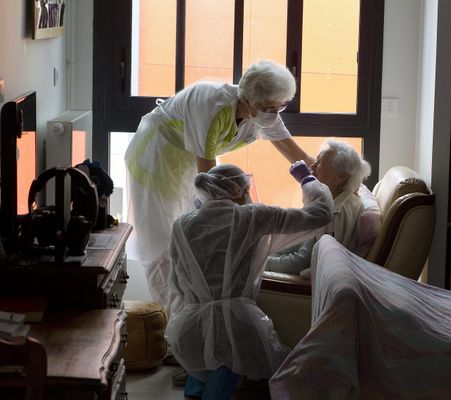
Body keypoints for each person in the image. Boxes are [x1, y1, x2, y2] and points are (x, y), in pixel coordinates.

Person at [125, 60, 314, 307]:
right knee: (161, 248)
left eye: (281, 107)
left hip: (185, 167)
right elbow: (211, 184)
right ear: (248, 100)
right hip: (153, 162)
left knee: (187, 245)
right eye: (271, 108)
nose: (275, 114)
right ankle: (166, 322)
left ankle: (185, 313)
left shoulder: (264, 111)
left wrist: (333, 178)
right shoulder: (210, 106)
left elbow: (296, 153)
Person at [164, 163, 333, 399]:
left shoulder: (182, 224)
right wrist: (308, 180)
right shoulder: (253, 216)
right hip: (237, 326)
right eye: (246, 189)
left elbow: (177, 281)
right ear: (237, 190)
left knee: (210, 342)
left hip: (187, 328)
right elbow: (321, 214)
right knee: (233, 345)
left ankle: (197, 386)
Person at [266, 139, 372, 275]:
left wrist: (261, 262)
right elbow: (299, 242)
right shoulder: (343, 199)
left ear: (340, 177)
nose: (312, 166)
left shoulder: (330, 214)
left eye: (320, 162)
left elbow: (300, 262)